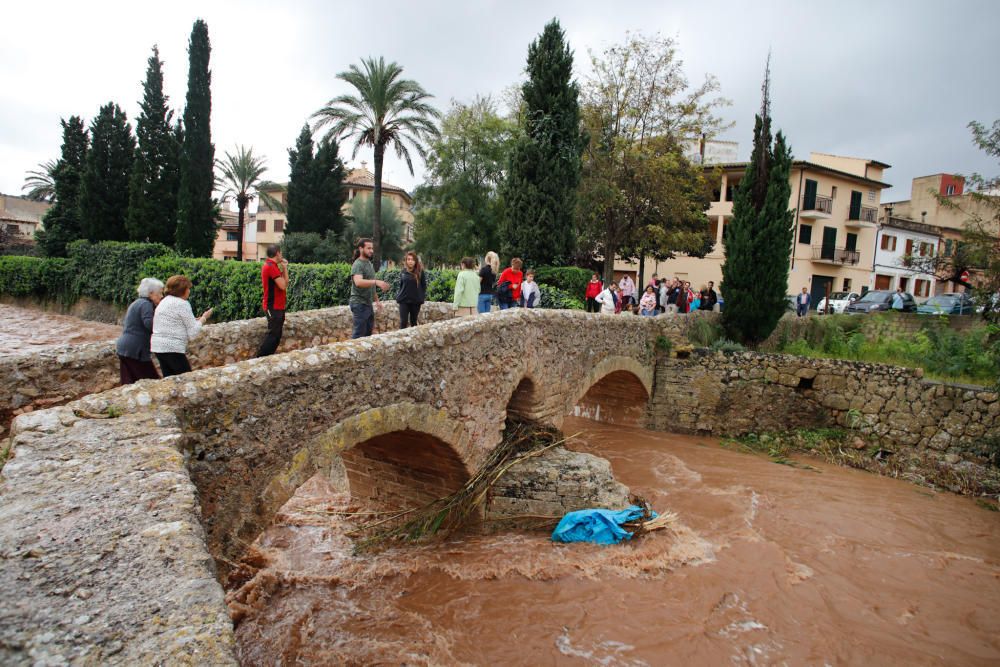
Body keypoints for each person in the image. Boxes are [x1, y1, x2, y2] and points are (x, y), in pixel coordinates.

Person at [151, 275, 212, 377]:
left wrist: (193, 320)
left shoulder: (165, 301)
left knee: (170, 379)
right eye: (188, 289)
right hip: (172, 347)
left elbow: (174, 320)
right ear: (183, 290)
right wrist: (204, 318)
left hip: (158, 346)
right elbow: (193, 332)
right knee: (186, 378)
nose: (189, 291)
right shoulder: (182, 304)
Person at [116, 277, 164, 384]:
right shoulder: (146, 304)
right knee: (151, 382)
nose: (162, 296)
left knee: (129, 383)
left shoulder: (137, 303)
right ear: (151, 293)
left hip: (125, 348)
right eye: (160, 293)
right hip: (136, 350)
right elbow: (149, 324)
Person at [350, 238, 390, 338]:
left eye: (372, 248)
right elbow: (358, 282)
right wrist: (376, 282)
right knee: (358, 335)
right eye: (368, 248)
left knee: (367, 335)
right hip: (359, 304)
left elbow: (371, 285)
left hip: (368, 304)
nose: (371, 250)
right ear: (361, 248)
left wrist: (377, 300)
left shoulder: (368, 263)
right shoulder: (357, 264)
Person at [255, 244, 288, 357]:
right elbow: (283, 286)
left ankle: (266, 359)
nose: (282, 255)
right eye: (281, 253)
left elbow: (285, 283)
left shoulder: (273, 266)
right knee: (274, 335)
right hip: (272, 306)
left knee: (277, 336)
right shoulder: (270, 267)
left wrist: (284, 268)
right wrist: (283, 269)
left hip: (278, 306)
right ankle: (260, 359)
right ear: (277, 253)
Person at [396, 251, 427, 328]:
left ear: (415, 261)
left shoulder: (420, 272)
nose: (410, 261)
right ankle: (402, 336)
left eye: (412, 259)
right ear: (406, 261)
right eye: (408, 259)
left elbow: (424, 286)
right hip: (403, 300)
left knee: (413, 322)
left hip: (415, 301)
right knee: (403, 322)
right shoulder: (403, 271)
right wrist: (398, 295)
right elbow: (401, 285)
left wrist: (421, 297)